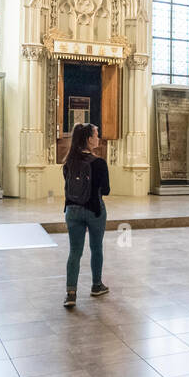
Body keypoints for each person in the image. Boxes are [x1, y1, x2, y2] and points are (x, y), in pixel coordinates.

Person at [62, 122, 111, 309]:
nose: (98, 137)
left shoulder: (69, 162)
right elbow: (106, 190)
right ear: (89, 139)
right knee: (96, 248)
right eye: (96, 134)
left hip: (72, 211)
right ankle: (96, 285)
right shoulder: (98, 163)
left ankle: (71, 293)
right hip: (94, 210)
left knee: (75, 252)